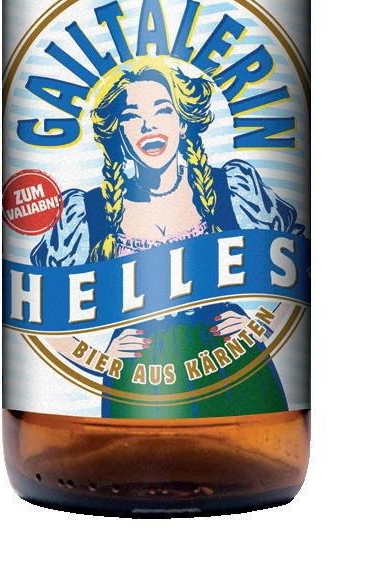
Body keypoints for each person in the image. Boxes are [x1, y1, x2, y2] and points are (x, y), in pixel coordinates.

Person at [32, 61, 304, 417]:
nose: (149, 125)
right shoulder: (89, 210)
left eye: (163, 110)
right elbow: (40, 303)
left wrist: (261, 327)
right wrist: (97, 358)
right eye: (131, 116)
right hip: (137, 375)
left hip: (236, 372)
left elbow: (298, 259)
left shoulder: (230, 187)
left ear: (183, 122)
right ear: (117, 132)